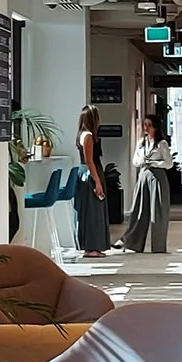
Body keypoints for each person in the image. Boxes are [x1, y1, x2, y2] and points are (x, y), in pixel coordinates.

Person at [116, 115, 174, 254]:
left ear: (155, 127)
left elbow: (169, 163)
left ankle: (158, 247)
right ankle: (132, 243)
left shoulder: (162, 144)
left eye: (149, 125)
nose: (146, 128)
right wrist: (142, 160)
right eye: (145, 124)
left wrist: (154, 163)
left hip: (157, 178)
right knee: (139, 210)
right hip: (143, 176)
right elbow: (135, 160)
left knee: (158, 213)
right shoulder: (141, 142)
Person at [70, 106, 109, 259]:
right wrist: (97, 182)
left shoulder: (81, 134)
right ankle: (92, 247)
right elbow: (90, 160)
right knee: (94, 212)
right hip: (91, 174)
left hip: (85, 173)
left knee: (89, 211)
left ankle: (91, 245)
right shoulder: (88, 136)